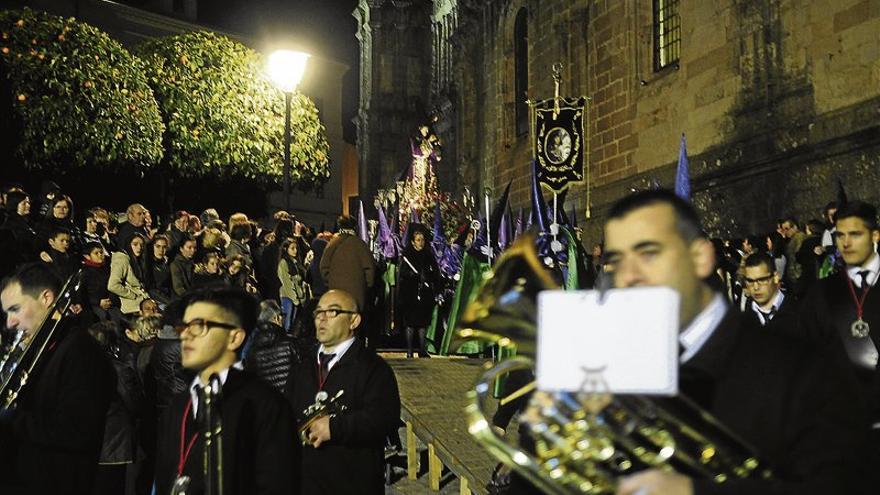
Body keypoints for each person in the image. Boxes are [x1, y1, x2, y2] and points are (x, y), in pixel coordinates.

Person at [597, 189, 870, 495]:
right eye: (617, 260)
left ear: (700, 257)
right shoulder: (623, 369)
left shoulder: (806, 369)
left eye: (649, 253)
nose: (629, 276)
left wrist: (694, 492)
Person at [154, 286, 297, 495]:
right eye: (184, 326)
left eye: (199, 326)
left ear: (234, 337)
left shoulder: (265, 405)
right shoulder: (178, 405)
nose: (186, 335)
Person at [0, 263, 115, 494]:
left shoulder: (80, 350)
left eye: (15, 309)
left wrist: (9, 418)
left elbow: (76, 431)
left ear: (46, 298)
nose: (9, 323)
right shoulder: (46, 349)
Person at [284, 289, 400, 495]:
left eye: (332, 312)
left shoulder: (373, 368)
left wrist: (335, 427)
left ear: (354, 321)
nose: (322, 318)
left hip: (353, 483)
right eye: (318, 312)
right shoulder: (302, 366)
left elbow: (384, 419)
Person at [799, 200, 880, 465]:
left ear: (875, 235)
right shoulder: (821, 294)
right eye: (840, 235)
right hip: (848, 436)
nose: (845, 243)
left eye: (855, 234)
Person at [320, 216, 376, 315]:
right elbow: (370, 271)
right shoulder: (361, 245)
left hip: (336, 294)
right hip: (357, 295)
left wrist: (331, 282)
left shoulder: (332, 244)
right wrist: (365, 287)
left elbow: (324, 268)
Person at [398, 226, 439, 357]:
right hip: (410, 294)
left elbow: (435, 272)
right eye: (418, 240)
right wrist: (413, 275)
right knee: (410, 324)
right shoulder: (407, 255)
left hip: (425, 294)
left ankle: (422, 350)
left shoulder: (428, 254)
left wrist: (429, 276)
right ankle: (409, 351)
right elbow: (403, 273)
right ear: (412, 241)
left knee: (422, 323)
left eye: (422, 239)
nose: (420, 242)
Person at [740, 251, 799, 333]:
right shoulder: (742, 321)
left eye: (762, 280)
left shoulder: (799, 313)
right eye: (750, 281)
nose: (756, 287)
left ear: (776, 277)